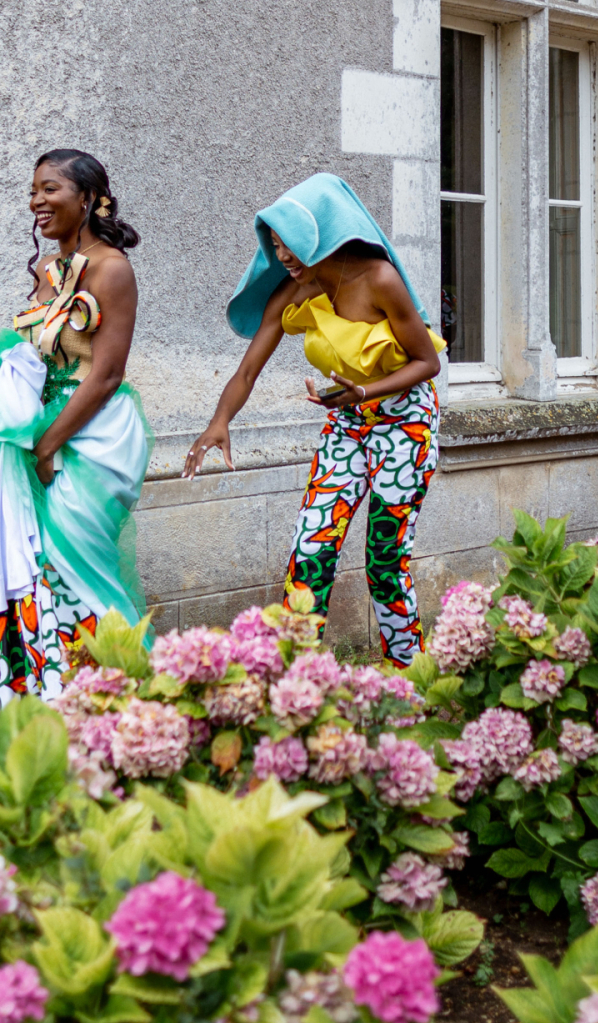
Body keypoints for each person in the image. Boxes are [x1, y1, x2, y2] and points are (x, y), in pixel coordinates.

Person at [184, 173, 445, 666]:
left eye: (291, 244)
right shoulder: (295, 289)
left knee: (385, 558)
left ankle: (410, 673)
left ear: (322, 231)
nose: (283, 256)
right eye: (275, 246)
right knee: (311, 549)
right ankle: (297, 674)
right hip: (348, 425)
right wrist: (219, 422)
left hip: (404, 423)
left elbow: (426, 363)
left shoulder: (378, 278)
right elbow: (247, 370)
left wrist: (364, 391)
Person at [0, 149, 154, 725]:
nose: (37, 202)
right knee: (42, 570)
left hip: (93, 435)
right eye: (33, 192)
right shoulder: (49, 271)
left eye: (51, 190)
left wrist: (46, 445)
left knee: (82, 568)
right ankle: (61, 710)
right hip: (45, 429)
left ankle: (135, 712)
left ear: (89, 199)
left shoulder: (111, 269)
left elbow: (108, 373)